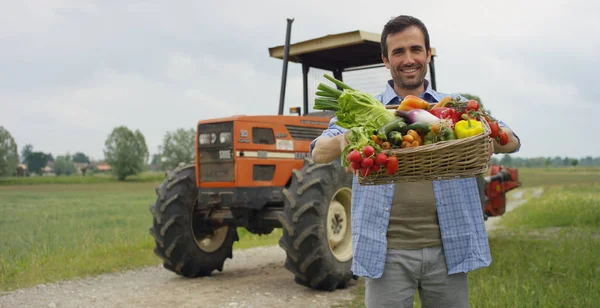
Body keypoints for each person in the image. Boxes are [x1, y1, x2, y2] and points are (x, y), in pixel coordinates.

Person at [309, 15, 521, 308]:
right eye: (398, 52)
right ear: (385, 59)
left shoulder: (453, 106)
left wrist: (489, 138)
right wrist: (345, 140)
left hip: (449, 248)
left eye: (415, 49)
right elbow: (317, 151)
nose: (408, 59)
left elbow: (512, 139)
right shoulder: (365, 111)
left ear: (428, 54)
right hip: (387, 252)